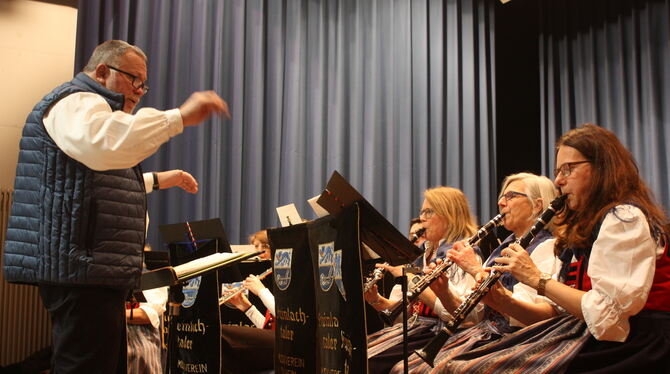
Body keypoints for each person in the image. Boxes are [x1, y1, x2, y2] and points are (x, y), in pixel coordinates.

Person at [2, 40, 230, 374]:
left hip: (92, 269)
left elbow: (91, 179)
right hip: (83, 269)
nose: (139, 90)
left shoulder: (95, 110)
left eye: (143, 84)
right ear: (103, 71)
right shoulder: (75, 102)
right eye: (133, 79)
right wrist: (178, 118)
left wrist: (154, 180)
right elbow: (103, 145)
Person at [443, 124, 670, 372]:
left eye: (568, 169)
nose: (559, 180)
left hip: (635, 340)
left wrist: (536, 279)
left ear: (601, 168)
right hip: (589, 330)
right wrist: (502, 301)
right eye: (558, 171)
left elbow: (608, 317)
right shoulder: (584, 227)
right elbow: (562, 309)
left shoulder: (625, 217)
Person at [388, 172, 560, 373]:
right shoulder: (502, 249)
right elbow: (474, 315)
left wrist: (476, 270)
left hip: (519, 339)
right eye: (501, 197)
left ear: (537, 205)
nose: (501, 203)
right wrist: (443, 292)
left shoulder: (547, 247)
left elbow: (533, 317)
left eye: (511, 196)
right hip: (484, 333)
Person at [364, 186, 482, 373]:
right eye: (421, 212)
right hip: (419, 330)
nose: (422, 218)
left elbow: (461, 314)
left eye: (429, 212)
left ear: (449, 214)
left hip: (443, 334)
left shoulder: (461, 253)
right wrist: (378, 302)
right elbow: (409, 315)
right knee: (357, 354)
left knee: (372, 364)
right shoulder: (425, 254)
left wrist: (410, 279)